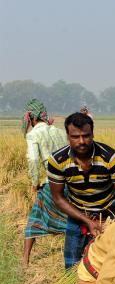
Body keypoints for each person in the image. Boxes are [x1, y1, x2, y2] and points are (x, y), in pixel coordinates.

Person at [47, 112, 115, 268]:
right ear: (67, 136)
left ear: (93, 133)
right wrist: (87, 221)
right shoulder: (57, 160)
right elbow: (58, 198)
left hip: (109, 213)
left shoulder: (111, 158)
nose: (81, 141)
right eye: (75, 137)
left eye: (86, 136)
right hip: (78, 213)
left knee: (109, 264)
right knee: (72, 266)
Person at [21, 98, 68, 266]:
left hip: (51, 182)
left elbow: (33, 160)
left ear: (32, 118)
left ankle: (25, 261)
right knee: (73, 218)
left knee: (34, 219)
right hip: (70, 181)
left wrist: (35, 183)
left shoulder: (33, 134)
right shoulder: (58, 131)